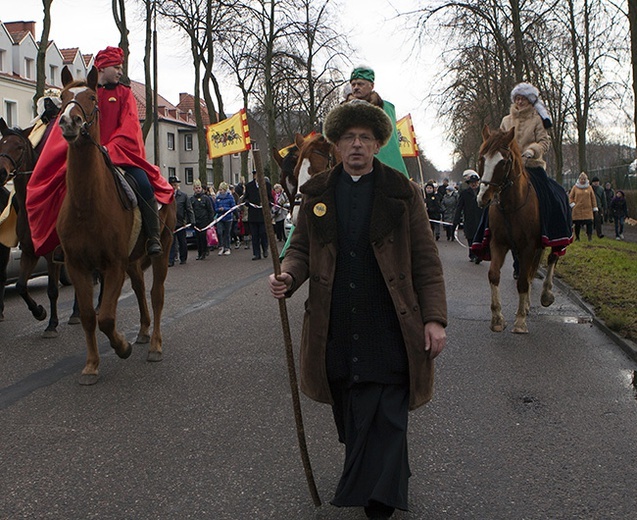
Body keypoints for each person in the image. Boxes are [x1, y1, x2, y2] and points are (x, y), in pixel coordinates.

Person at [268, 100, 447, 520]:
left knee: (386, 409)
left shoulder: (404, 194)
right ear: (335, 144)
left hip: (389, 322)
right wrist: (289, 277)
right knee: (351, 413)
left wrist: (434, 319)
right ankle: (377, 472)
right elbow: (299, 250)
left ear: (377, 144)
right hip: (336, 323)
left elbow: (426, 261)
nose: (357, 145)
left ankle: (380, 497)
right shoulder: (317, 193)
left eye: (366, 138)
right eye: (349, 137)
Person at [27, 46, 173, 258]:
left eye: (121, 67)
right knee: (63, 187)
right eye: (116, 67)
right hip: (89, 157)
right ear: (102, 68)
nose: (120, 71)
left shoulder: (125, 94)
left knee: (143, 183)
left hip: (120, 156)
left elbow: (129, 127)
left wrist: (109, 149)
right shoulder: (87, 95)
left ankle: (152, 236)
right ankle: (62, 241)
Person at [499, 82, 572, 253]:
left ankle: (551, 232)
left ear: (530, 100)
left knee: (549, 196)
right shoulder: (506, 120)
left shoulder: (537, 120)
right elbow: (500, 141)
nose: (519, 102)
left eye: (523, 98)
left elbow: (544, 142)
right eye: (517, 98)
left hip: (532, 166)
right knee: (493, 195)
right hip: (510, 168)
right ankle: (488, 234)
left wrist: (533, 151)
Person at [348, 65, 408, 177]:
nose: (356, 87)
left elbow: (390, 143)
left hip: (382, 168)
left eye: (360, 84)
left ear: (371, 86)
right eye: (353, 84)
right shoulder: (343, 109)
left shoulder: (385, 108)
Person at [454, 170, 484, 263]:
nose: (474, 184)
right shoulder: (464, 193)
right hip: (469, 219)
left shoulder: (482, 192)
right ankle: (472, 254)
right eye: (472, 183)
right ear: (469, 184)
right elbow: (459, 207)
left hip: (480, 218)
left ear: (478, 182)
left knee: (480, 237)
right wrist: (456, 219)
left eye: (475, 182)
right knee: (471, 237)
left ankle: (479, 254)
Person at [242, 170, 273, 260]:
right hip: (253, 215)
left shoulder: (266, 185)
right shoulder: (249, 186)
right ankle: (256, 253)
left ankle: (265, 248)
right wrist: (247, 202)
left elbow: (271, 198)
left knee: (263, 233)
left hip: (263, 215)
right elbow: (245, 198)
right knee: (255, 235)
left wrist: (268, 203)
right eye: (256, 175)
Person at [169, 176, 195, 266]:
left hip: (181, 223)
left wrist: (192, 221)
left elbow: (189, 209)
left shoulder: (183, 196)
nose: (173, 186)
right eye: (171, 185)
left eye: (174, 185)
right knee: (171, 242)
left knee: (182, 241)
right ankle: (170, 260)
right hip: (170, 223)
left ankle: (183, 258)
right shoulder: (166, 195)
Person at [569, 172, 597, 241]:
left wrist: (594, 207)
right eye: (582, 179)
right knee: (577, 224)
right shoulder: (575, 187)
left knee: (589, 223)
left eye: (584, 179)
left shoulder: (589, 188)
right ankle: (577, 237)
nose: (583, 180)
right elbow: (570, 197)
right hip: (577, 209)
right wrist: (572, 204)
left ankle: (589, 237)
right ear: (579, 179)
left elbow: (593, 198)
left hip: (588, 209)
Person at [190, 179, 214, 260]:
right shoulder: (192, 199)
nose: (198, 189)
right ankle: (199, 252)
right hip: (196, 221)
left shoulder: (206, 198)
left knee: (203, 237)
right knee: (198, 239)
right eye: (196, 188)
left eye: (199, 188)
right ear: (194, 189)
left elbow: (210, 210)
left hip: (205, 221)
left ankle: (204, 252)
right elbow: (190, 211)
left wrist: (210, 221)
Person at [214, 182, 236, 255]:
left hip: (228, 218)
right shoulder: (217, 198)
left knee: (227, 233)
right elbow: (215, 208)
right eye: (220, 189)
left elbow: (233, 207)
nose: (221, 191)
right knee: (220, 232)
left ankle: (227, 247)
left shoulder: (230, 197)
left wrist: (224, 209)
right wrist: (218, 210)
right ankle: (221, 246)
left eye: (222, 189)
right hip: (220, 218)